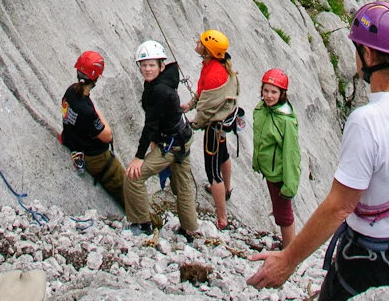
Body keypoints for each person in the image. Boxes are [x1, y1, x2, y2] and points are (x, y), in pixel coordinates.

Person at [249, 0, 389, 301]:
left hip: (369, 259)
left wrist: (287, 261)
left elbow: (339, 207)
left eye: (356, 49)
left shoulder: (367, 120)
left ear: (367, 55)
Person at [123, 40, 199, 240]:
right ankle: (189, 230)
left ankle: (142, 223)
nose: (147, 69)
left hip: (171, 145)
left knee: (133, 177)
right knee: (183, 186)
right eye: (144, 65)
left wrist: (140, 157)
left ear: (161, 65)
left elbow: (150, 126)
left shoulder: (158, 90)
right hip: (182, 139)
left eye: (151, 65)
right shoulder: (163, 82)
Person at [183, 28, 239, 230]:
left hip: (214, 126)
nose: (197, 44)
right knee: (223, 155)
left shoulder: (214, 74)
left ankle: (222, 218)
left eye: (200, 43)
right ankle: (227, 189)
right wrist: (190, 105)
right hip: (223, 121)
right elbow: (202, 93)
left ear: (207, 51)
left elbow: (206, 109)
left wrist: (193, 123)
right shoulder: (216, 64)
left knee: (212, 170)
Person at [59, 51, 125, 208]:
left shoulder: (71, 91)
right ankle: (152, 223)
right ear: (96, 78)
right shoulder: (87, 111)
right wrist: (100, 117)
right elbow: (107, 136)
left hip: (71, 141)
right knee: (127, 189)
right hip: (94, 157)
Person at [252, 68, 301, 248]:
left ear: (282, 94)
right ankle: (287, 246)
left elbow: (291, 154)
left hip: (280, 174)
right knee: (280, 211)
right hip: (270, 171)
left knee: (284, 215)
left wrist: (289, 185)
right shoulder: (263, 109)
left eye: (274, 92)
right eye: (266, 91)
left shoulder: (285, 120)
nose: (269, 96)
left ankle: (289, 253)